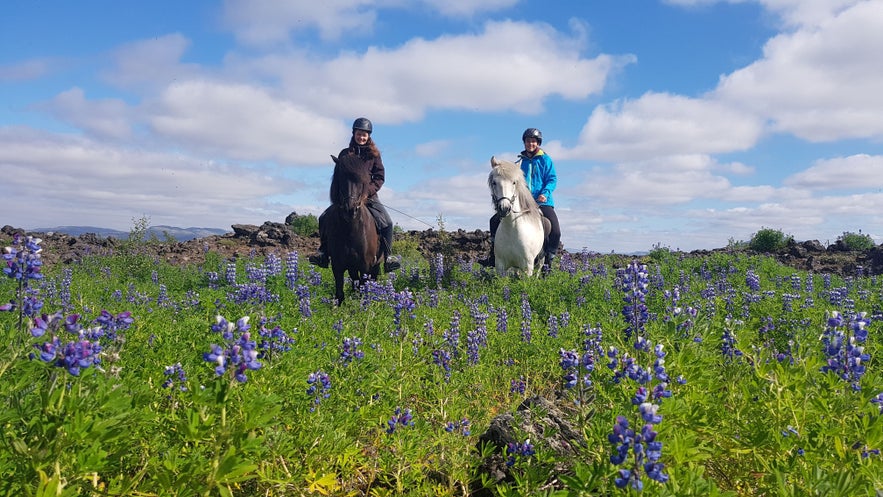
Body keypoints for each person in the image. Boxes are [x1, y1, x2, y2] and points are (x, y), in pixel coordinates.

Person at [308, 117, 401, 271]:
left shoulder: (373, 155)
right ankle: (323, 252)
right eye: (359, 133)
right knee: (324, 217)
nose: (361, 137)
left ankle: (388, 258)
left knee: (388, 223)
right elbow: (338, 177)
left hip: (368, 197)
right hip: (346, 198)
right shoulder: (345, 154)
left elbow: (379, 177)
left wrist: (366, 193)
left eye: (364, 134)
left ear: (368, 136)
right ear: (354, 134)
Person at [479, 127, 561, 269]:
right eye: (528, 141)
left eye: (534, 141)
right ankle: (493, 255)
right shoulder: (518, 163)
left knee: (555, 230)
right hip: (523, 202)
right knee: (494, 221)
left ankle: (548, 260)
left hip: (542, 201)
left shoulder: (545, 160)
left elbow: (552, 179)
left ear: (538, 143)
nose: (531, 144)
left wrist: (545, 193)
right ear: (524, 143)